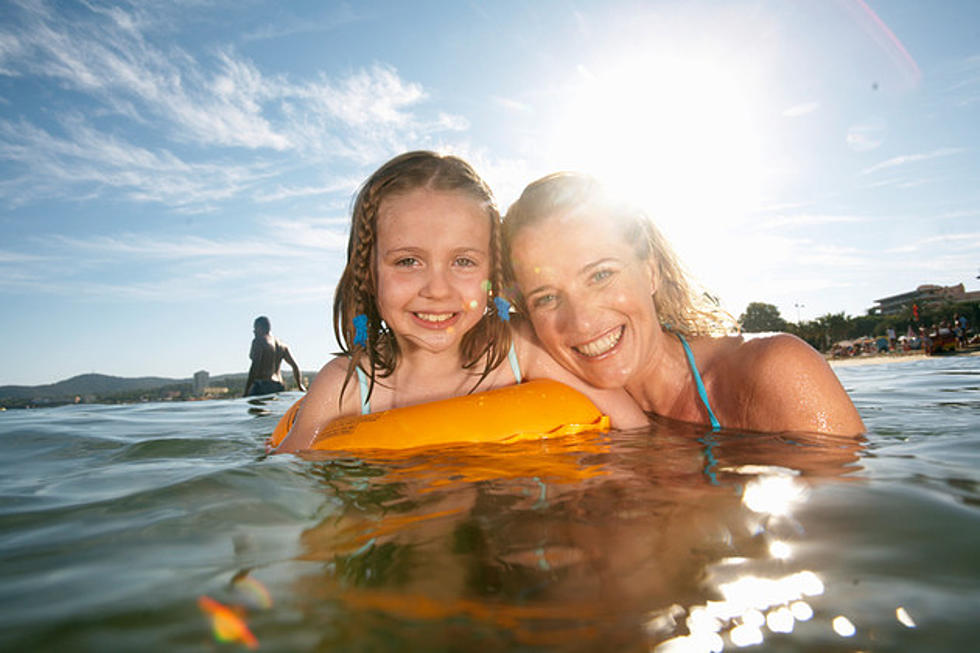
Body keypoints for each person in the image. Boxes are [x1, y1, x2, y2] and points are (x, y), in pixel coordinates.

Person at [276, 153, 645, 452]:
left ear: (491, 274)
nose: (438, 290)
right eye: (408, 261)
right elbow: (288, 486)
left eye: (463, 261)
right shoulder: (349, 385)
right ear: (369, 274)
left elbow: (634, 429)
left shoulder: (518, 349)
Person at [502, 172, 865, 437]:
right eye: (547, 297)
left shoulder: (775, 371)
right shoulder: (568, 403)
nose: (581, 323)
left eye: (600, 275)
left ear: (651, 271)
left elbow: (847, 526)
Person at [244, 316, 306, 396]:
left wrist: (246, 390)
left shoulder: (259, 341)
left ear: (261, 327)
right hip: (278, 386)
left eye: (255, 328)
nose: (254, 331)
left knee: (255, 408)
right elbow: (295, 366)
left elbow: (255, 366)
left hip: (262, 385)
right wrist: (299, 385)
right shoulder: (282, 345)